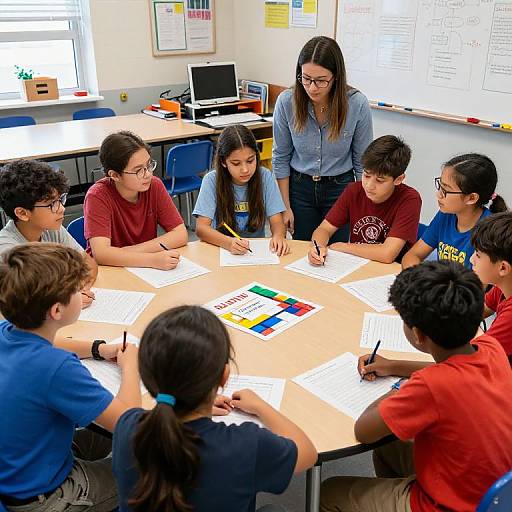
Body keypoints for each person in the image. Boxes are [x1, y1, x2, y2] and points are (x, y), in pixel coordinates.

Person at [320, 261, 512, 512]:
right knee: (387, 446)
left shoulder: (430, 386)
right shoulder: (490, 347)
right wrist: (393, 365)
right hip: (489, 490)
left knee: (329, 493)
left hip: (448, 505)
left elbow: (363, 430)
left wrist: (398, 388)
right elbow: (454, 372)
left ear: (419, 335)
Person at [112, 305, 317, 512]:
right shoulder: (247, 445)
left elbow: (131, 408)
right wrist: (261, 406)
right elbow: (308, 453)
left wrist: (130, 368)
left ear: (147, 378)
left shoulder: (127, 427)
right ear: (224, 377)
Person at [0, 244, 141, 511]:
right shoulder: (56, 368)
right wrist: (130, 365)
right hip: (45, 496)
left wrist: (98, 348)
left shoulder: (6, 329)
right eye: (78, 290)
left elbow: (53, 343)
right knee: (150, 465)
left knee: (102, 436)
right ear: (56, 311)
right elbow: (130, 422)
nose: (85, 293)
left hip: (17, 473)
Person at [272, 35, 373, 242]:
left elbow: (363, 163)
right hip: (299, 188)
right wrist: (284, 207)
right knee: (302, 252)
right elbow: (280, 157)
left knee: (337, 253)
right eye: (306, 78)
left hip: (340, 189)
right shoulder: (286, 102)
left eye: (320, 80)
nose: (312, 88)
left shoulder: (357, 104)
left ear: (336, 76)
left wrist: (363, 205)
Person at [308, 135, 420, 265]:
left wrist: (343, 247)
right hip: (356, 265)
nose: (369, 185)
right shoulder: (354, 190)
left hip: (390, 272)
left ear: (398, 179)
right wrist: (318, 247)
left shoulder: (410, 199)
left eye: (380, 180)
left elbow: (387, 254)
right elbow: (323, 229)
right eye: (366, 175)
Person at [0, 159, 97, 308]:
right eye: (52, 204)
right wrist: (66, 298)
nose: (61, 208)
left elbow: (88, 264)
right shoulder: (7, 251)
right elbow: (26, 301)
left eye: (60, 199)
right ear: (22, 213)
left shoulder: (52, 230)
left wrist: (79, 290)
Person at [84, 131, 187, 269]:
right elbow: (102, 254)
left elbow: (180, 235)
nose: (148, 174)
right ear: (115, 175)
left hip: (140, 268)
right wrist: (151, 259)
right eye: (139, 170)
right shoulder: (97, 196)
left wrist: (124, 253)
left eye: (149, 165)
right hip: (108, 271)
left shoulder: (154, 185)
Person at [194, 124, 289, 256]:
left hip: (255, 252)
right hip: (221, 250)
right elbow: (201, 229)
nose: (245, 169)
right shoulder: (211, 180)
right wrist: (228, 243)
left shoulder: (265, 176)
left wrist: (279, 236)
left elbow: (277, 221)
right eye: (236, 163)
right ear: (223, 162)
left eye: (250, 161)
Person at [402, 153, 507, 269]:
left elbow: (479, 284)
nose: (438, 195)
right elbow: (413, 255)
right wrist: (416, 278)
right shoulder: (446, 215)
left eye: (446, 190)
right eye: (440, 186)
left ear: (471, 198)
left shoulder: (489, 231)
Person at [470, 211, 512, 364]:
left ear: (503, 268)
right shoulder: (504, 286)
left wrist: (395, 365)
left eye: (478, 255)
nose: (471, 260)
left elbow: (476, 358)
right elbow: (477, 312)